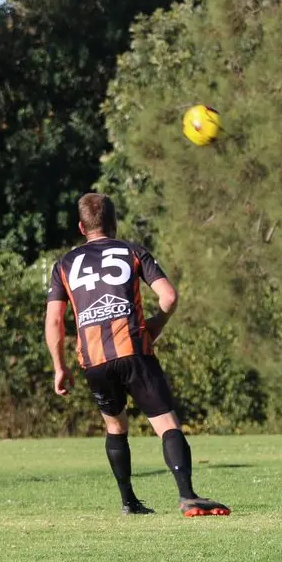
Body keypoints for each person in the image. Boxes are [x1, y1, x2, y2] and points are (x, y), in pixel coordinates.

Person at [45, 193, 230, 516]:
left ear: (81, 227)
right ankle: (187, 495)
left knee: (116, 427)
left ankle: (129, 502)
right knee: (166, 424)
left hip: (94, 360)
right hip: (133, 350)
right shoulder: (132, 251)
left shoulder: (64, 264)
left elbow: (54, 321)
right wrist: (157, 323)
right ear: (114, 223)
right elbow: (169, 297)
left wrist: (59, 367)